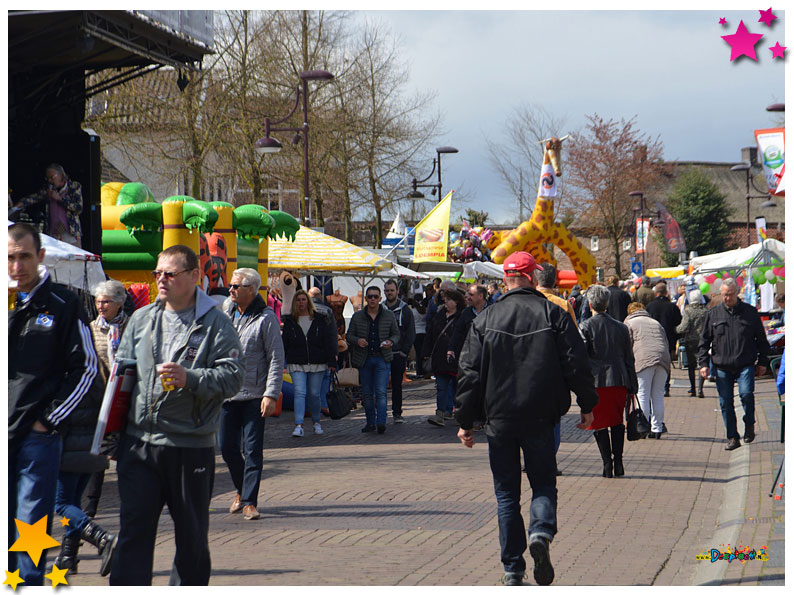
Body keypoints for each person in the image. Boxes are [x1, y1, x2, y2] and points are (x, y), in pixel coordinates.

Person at [455, 251, 598, 587]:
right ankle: (541, 531)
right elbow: (576, 364)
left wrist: (464, 420)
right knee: (543, 483)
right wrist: (588, 404)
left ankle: (512, 568)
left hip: (500, 418)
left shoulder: (485, 318)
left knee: (506, 494)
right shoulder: (554, 313)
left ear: (505, 279)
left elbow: (469, 373)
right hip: (540, 414)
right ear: (533, 278)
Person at [110, 244, 244, 586]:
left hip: (189, 447)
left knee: (191, 541)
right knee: (133, 536)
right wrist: (111, 433)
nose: (161, 280)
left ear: (194, 276)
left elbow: (234, 378)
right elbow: (121, 378)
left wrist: (192, 378)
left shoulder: (216, 323)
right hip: (139, 445)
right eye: (158, 273)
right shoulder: (142, 319)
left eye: (170, 273)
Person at [8, 223, 99, 585]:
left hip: (36, 438)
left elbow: (87, 367)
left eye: (25, 257)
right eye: (10, 258)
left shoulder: (63, 303)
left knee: (29, 534)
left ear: (40, 256)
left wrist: (48, 420)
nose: (17, 266)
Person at [221, 268, 284, 520]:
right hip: (226, 393)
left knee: (253, 449)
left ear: (251, 289)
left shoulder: (265, 318)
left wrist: (271, 394)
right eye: (231, 285)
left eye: (236, 286)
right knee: (225, 447)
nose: (231, 290)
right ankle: (240, 487)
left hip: (255, 394)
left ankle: (249, 501)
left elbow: (276, 358)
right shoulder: (226, 312)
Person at [698, 279, 771, 451]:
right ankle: (732, 436)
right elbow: (704, 341)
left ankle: (749, 424)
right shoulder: (713, 314)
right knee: (725, 402)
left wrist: (762, 362)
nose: (727, 298)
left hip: (745, 363)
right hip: (722, 366)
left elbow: (762, 341)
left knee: (746, 394)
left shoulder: (750, 313)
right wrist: (703, 364)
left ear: (737, 293)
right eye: (724, 295)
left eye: (730, 295)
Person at [83, 280, 131, 519]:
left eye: (106, 301)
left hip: (126, 399)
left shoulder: (132, 327)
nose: (100, 306)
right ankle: (90, 506)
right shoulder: (91, 329)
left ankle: (129, 503)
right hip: (101, 398)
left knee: (125, 453)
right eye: (98, 301)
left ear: (119, 303)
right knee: (98, 454)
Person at [580, 285, 638, 477]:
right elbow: (629, 358)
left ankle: (607, 464)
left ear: (590, 304)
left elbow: (582, 357)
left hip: (597, 382)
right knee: (617, 421)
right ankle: (619, 462)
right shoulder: (622, 327)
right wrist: (633, 384)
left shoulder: (586, 326)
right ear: (607, 303)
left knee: (599, 424)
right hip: (619, 380)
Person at [281, 289, 337, 437]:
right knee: (299, 392)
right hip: (296, 361)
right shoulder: (290, 321)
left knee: (314, 394)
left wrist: (332, 360)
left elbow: (328, 341)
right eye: (298, 300)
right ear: (294, 303)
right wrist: (282, 363)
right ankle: (298, 425)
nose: (301, 302)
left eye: (303, 299)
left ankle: (316, 421)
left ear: (308, 301)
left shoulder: (320, 319)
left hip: (317, 361)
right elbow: (284, 344)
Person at [346, 286, 401, 434]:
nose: (372, 299)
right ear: (366, 298)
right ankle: (370, 422)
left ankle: (381, 422)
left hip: (382, 358)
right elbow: (349, 335)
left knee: (381, 392)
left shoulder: (388, 315)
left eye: (375, 297)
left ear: (380, 299)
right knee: (368, 393)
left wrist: (391, 341)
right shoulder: (357, 316)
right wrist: (357, 341)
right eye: (370, 296)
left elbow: (396, 334)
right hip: (364, 359)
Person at [624, 302, 670, 439]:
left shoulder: (629, 322)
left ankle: (643, 427)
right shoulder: (655, 322)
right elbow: (665, 342)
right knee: (658, 394)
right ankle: (657, 427)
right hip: (662, 358)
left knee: (642, 393)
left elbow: (627, 344)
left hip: (643, 359)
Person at [424, 288, 466, 427]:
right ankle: (440, 414)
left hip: (458, 358)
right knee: (441, 387)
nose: (445, 302)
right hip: (440, 358)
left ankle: (461, 413)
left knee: (459, 388)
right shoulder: (439, 316)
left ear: (456, 302)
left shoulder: (462, 318)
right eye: (445, 300)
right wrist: (426, 354)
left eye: (448, 300)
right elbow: (430, 335)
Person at [14, 164, 83, 247]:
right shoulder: (48, 188)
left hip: (70, 233)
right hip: (53, 233)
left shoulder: (74, 187)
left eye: (52, 177)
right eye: (48, 178)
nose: (50, 180)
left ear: (61, 175)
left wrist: (60, 199)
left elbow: (78, 208)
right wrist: (18, 205)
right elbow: (35, 197)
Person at [383, 279, 415, 423]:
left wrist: (404, 352)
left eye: (392, 290)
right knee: (380, 385)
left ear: (397, 291)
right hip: (382, 353)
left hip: (398, 353)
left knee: (396, 385)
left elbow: (410, 332)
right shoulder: (380, 308)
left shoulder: (405, 309)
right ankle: (382, 413)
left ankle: (397, 413)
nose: (389, 293)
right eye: (387, 290)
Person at [644, 282, 682, 398]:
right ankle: (665, 387)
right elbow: (678, 323)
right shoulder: (672, 307)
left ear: (656, 293)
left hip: (652, 338)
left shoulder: (650, 306)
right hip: (668, 338)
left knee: (652, 362)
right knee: (666, 363)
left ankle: (652, 384)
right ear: (666, 293)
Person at [308, 287, 339, 416]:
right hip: (324, 351)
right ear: (320, 296)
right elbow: (332, 335)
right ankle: (323, 405)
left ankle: (309, 408)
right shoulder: (328, 311)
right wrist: (334, 353)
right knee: (325, 378)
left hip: (307, 352)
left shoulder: (304, 310)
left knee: (308, 381)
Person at [675, 289, 708, 398]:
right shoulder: (706, 311)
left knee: (691, 365)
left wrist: (675, 329)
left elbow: (683, 327)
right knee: (702, 364)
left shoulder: (688, 311)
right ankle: (700, 389)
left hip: (691, 341)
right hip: (703, 340)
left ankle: (693, 388)